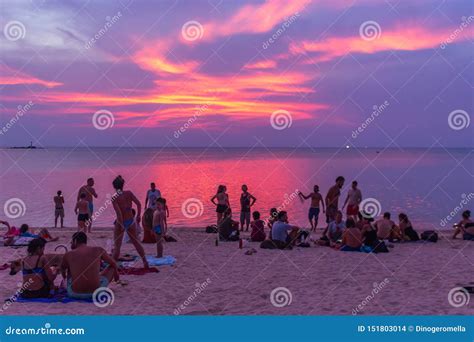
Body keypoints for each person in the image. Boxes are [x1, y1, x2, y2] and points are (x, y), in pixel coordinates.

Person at [61, 232, 119, 299]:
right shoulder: (98, 250)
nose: (71, 243)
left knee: (69, 269)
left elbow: (62, 269)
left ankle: (78, 285)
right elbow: (113, 263)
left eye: (72, 241)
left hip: (75, 293)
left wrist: (66, 279)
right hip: (96, 292)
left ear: (75, 241)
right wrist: (116, 275)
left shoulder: (68, 254)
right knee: (111, 267)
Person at [111, 175, 149, 268]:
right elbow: (139, 204)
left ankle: (112, 266)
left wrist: (120, 225)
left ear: (114, 186)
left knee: (117, 246)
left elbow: (119, 214)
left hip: (122, 221)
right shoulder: (128, 193)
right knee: (136, 242)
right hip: (131, 221)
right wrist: (138, 216)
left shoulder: (115, 198)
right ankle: (145, 262)